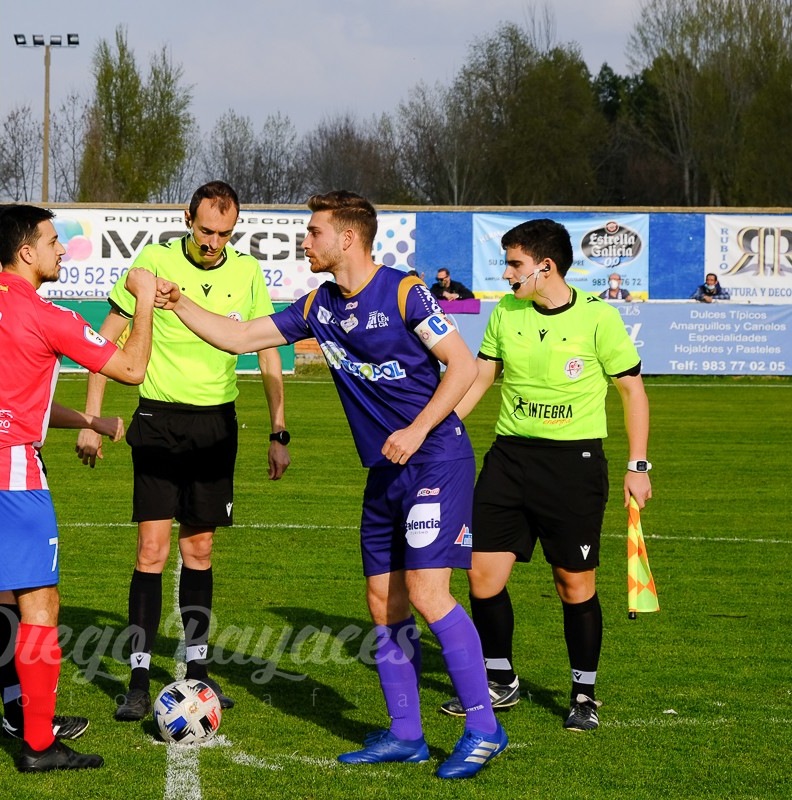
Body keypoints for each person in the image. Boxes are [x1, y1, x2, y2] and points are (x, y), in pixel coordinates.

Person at [155, 190, 507, 780]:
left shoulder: (403, 291)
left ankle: (484, 728)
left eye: (314, 231)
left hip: (435, 461)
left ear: (347, 238)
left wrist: (419, 431)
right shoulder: (320, 304)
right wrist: (179, 302)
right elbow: (242, 338)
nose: (305, 240)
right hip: (385, 472)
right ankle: (406, 734)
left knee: (428, 593)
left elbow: (464, 366)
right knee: (382, 602)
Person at [0, 203, 156, 775]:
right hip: (7, 476)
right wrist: (141, 298)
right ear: (26, 251)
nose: (62, 249)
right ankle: (38, 744)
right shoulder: (46, 314)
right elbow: (133, 368)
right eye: (52, 240)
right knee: (40, 606)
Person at [76, 180, 290, 722]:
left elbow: (265, 351)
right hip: (158, 420)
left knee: (200, 553)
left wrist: (278, 429)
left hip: (217, 426)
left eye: (225, 232)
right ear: (186, 217)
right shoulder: (152, 261)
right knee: (151, 551)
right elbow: (109, 334)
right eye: (205, 229)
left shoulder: (246, 272)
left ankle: (196, 675)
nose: (214, 241)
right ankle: (139, 678)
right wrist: (92, 419)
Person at [443, 218, 652, 732]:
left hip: (573, 467)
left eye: (514, 264)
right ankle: (500, 680)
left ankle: (584, 694)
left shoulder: (598, 319)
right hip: (509, 460)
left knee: (573, 584)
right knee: (481, 576)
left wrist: (638, 464)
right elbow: (483, 377)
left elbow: (632, 391)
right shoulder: (505, 312)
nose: (507, 273)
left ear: (546, 266)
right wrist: (440, 426)